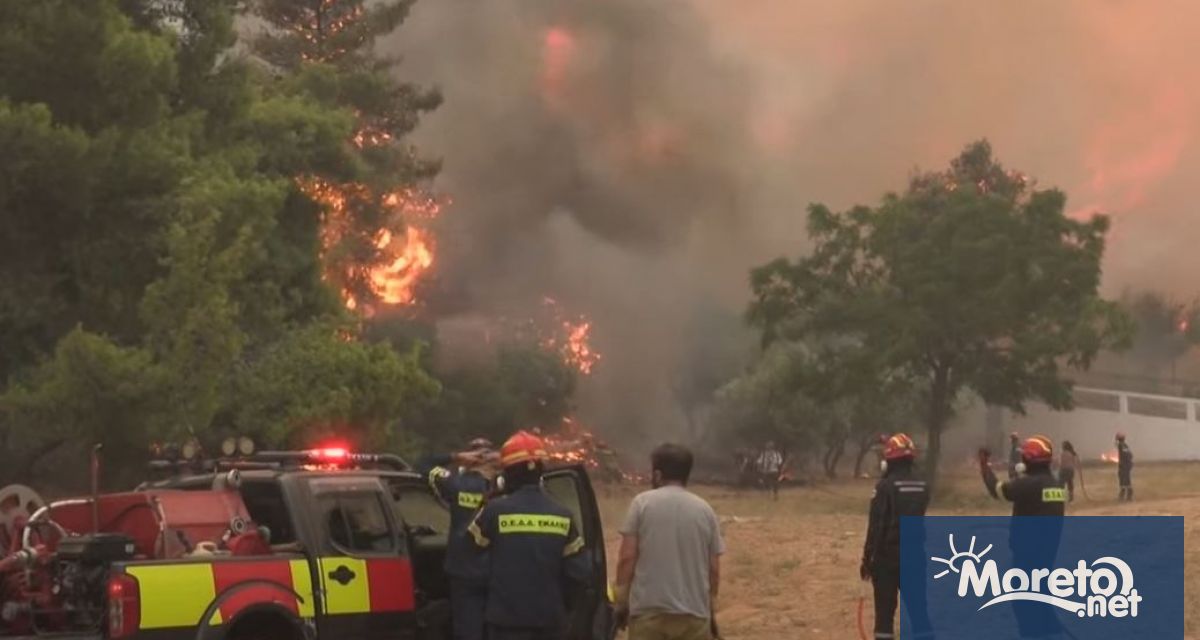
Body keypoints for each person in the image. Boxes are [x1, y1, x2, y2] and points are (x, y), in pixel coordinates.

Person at [467, 430, 591, 640]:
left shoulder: (493, 512)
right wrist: (561, 607)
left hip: (505, 622)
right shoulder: (563, 516)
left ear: (507, 475)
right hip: (550, 621)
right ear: (540, 471)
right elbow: (579, 573)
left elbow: (470, 558)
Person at [614, 443, 724, 640]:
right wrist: (710, 612)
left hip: (648, 615)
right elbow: (714, 570)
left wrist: (621, 602)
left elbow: (627, 558)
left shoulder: (641, 504)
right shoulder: (705, 510)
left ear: (657, 475)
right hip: (694, 617)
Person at [860, 433, 931, 640]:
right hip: (916, 555)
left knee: (885, 615)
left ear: (888, 461)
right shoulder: (923, 486)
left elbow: (876, 526)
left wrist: (867, 559)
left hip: (887, 557)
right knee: (919, 612)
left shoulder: (884, 487)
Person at [424, 438, 498, 640]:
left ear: (468, 459)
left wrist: (455, 457)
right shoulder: (505, 486)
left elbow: (423, 464)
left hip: (463, 570)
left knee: (468, 631)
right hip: (497, 570)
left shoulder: (454, 483)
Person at [979, 435, 1066, 516]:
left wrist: (984, 464)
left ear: (1028, 458)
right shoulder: (1057, 484)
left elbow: (996, 490)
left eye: (1023, 456)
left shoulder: (1028, 484)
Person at [1117, 432, 1134, 501]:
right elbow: (1130, 455)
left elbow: (1126, 455)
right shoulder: (1125, 445)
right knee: (1126, 479)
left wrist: (1123, 462)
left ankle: (1125, 495)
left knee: (1123, 479)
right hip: (1127, 464)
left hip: (1124, 465)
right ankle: (1127, 495)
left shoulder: (1121, 445)